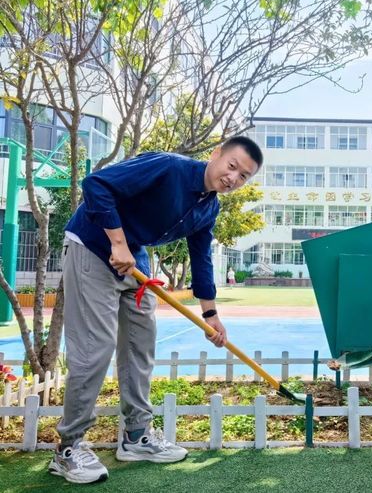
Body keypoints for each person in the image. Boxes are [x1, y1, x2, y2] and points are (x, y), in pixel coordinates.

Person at [50, 136, 263, 484]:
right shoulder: (169, 166)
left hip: (134, 258)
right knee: (94, 349)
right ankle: (68, 449)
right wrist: (117, 243)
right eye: (232, 166)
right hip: (92, 246)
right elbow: (96, 185)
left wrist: (211, 316)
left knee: (141, 346)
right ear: (216, 155)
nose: (233, 178)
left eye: (243, 177)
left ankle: (136, 437)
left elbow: (201, 259)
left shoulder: (209, 207)